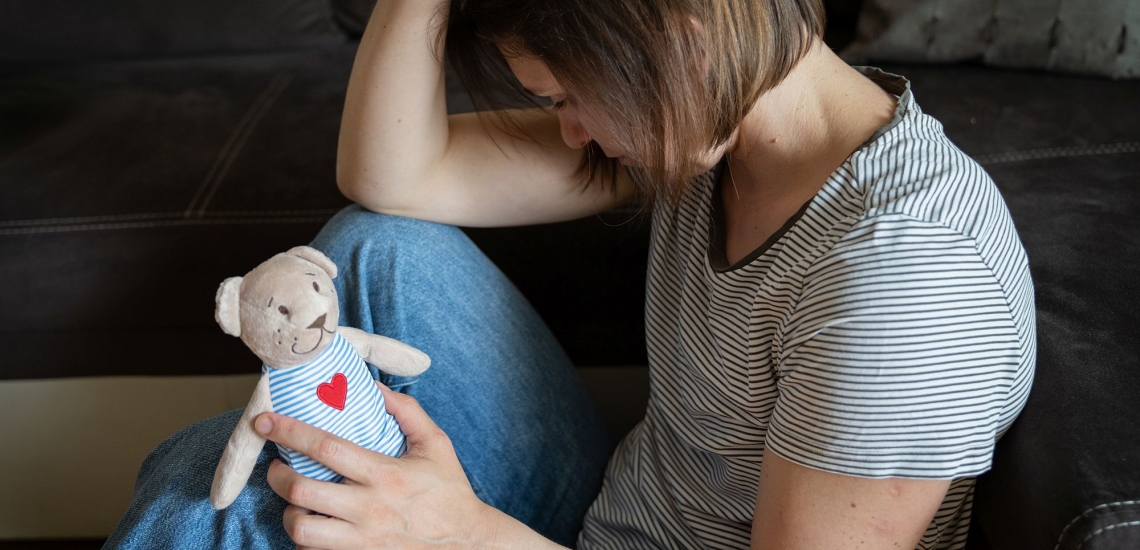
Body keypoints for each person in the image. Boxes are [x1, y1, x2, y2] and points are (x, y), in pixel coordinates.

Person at [104, 0, 1036, 548]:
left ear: (679, 34)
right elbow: (395, 174)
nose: (572, 136)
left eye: (569, 98)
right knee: (377, 238)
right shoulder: (717, 123)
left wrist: (461, 534)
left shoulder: (905, 283)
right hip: (612, 507)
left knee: (218, 493)